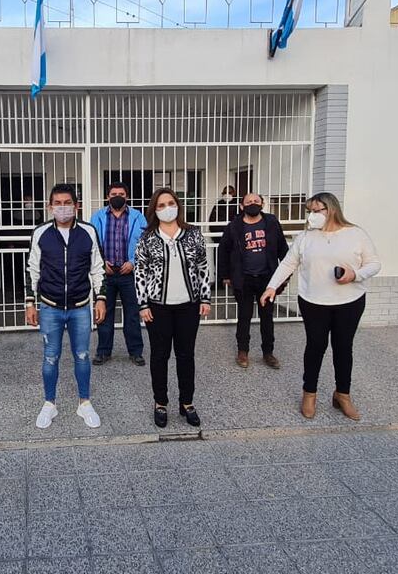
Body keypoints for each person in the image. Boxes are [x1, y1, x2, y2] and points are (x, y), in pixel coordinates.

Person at [261, 192, 380, 421]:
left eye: (317, 211)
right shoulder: (305, 237)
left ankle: (342, 395)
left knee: (343, 348)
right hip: (313, 302)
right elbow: (288, 263)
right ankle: (309, 394)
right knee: (315, 347)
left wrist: (355, 274)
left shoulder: (356, 234)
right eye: (310, 212)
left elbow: (374, 263)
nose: (312, 216)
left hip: (350, 302)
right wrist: (271, 287)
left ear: (331, 210)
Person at [25, 183, 107, 429]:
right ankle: (50, 403)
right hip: (50, 307)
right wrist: (30, 303)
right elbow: (32, 270)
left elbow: (97, 267)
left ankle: (84, 403)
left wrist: (100, 298)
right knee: (50, 357)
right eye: (57, 203)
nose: (63, 208)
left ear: (77, 206)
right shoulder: (40, 233)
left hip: (80, 307)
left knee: (82, 356)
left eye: (67, 203)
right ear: (50, 207)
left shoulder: (88, 231)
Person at [134, 187, 211, 428]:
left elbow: (203, 266)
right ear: (154, 211)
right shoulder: (147, 238)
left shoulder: (193, 234)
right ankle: (160, 403)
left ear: (177, 205)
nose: (167, 208)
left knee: (186, 355)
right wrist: (142, 304)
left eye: (170, 203)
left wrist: (206, 298)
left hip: (189, 305)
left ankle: (187, 402)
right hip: (158, 307)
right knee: (159, 356)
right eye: (161, 205)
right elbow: (140, 272)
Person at [217, 193, 289, 369]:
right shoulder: (234, 226)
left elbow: (283, 249)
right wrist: (225, 275)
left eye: (256, 201)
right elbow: (223, 250)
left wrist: (283, 276)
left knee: (267, 317)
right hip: (244, 278)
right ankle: (243, 351)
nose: (252, 204)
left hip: (267, 279)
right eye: (248, 202)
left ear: (262, 204)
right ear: (242, 206)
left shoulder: (271, 222)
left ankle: (268, 353)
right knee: (244, 316)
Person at [90, 182, 146, 366]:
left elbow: (145, 244)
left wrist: (133, 263)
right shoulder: (97, 217)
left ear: (127, 196)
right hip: (106, 274)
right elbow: (91, 244)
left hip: (129, 273)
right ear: (107, 196)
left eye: (121, 193)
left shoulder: (138, 217)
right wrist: (101, 262)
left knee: (132, 314)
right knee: (104, 313)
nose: (117, 196)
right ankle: (103, 351)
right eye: (113, 193)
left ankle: (136, 352)